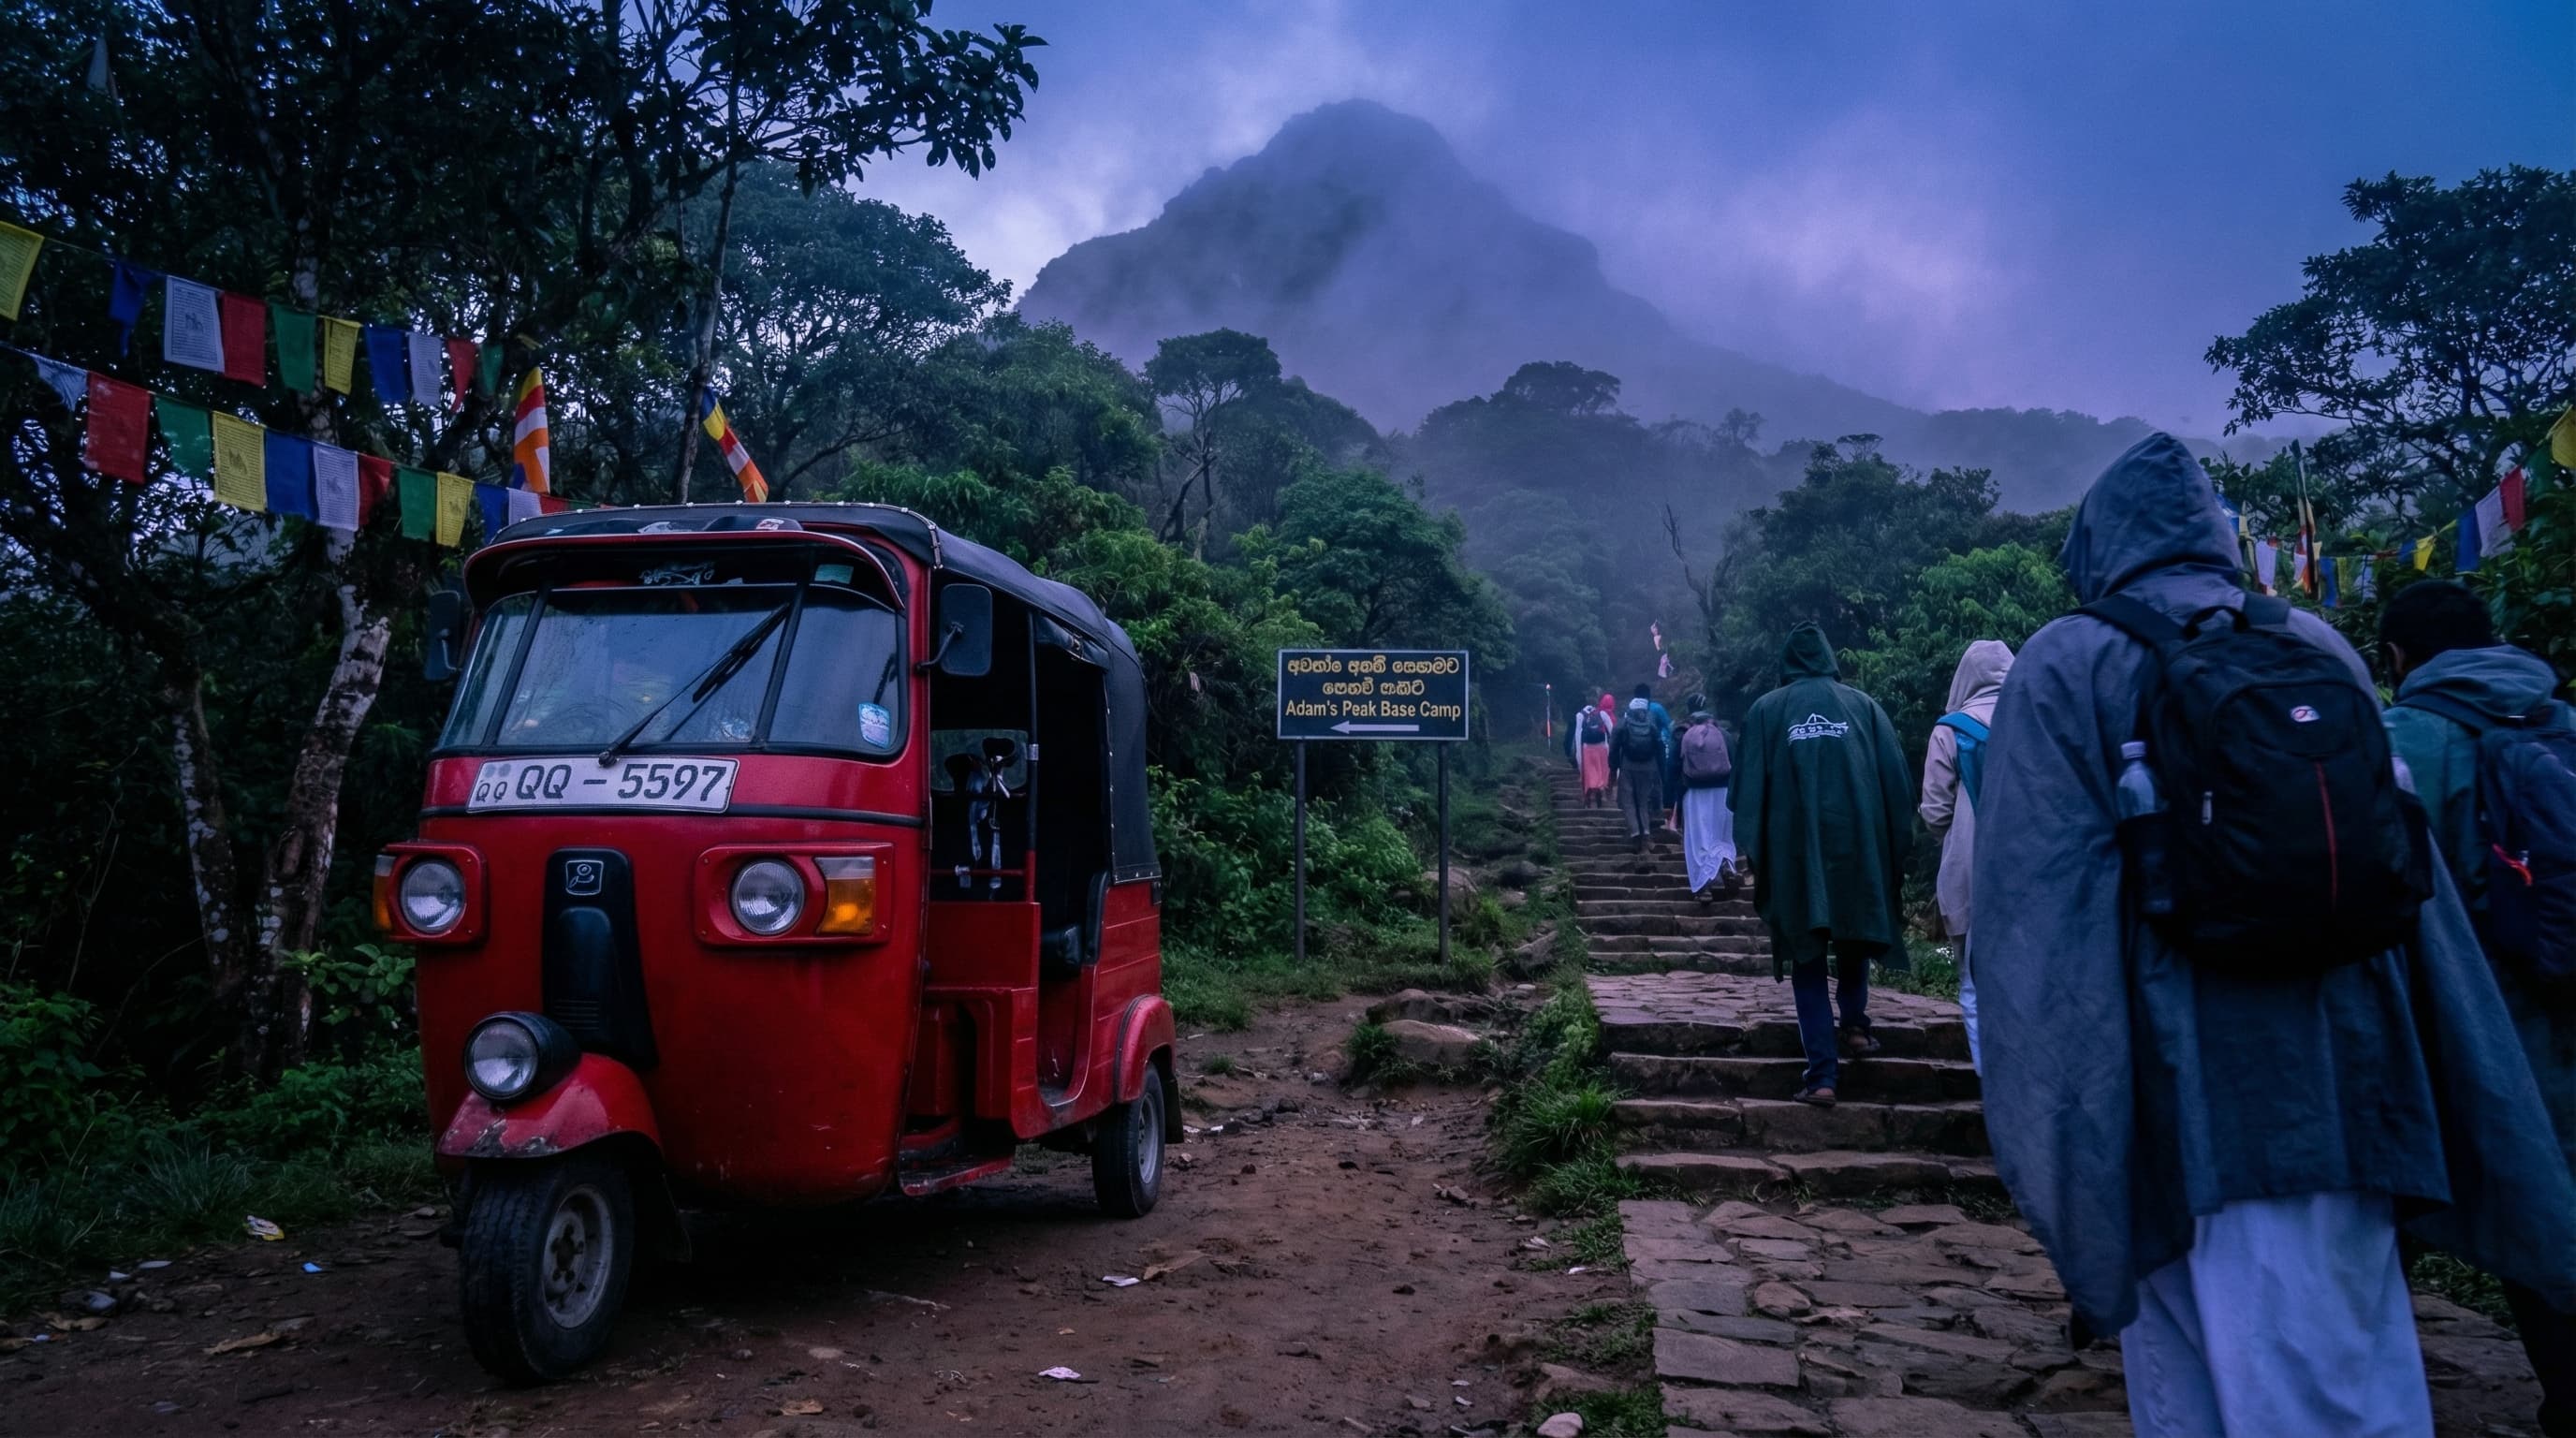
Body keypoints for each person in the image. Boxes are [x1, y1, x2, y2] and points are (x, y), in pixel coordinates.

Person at [1971, 433, 2576, 1438]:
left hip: (2170, 1096)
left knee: (2193, 1383)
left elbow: (2034, 918)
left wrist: (2069, 1119)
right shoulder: (2315, 643)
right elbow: (2411, 898)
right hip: (2347, 1084)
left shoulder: (2067, 661)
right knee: (2335, 1369)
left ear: (2099, 545)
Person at [2378, 580, 2576, 1438]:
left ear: (2394, 659)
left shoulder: (2408, 740)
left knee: (2410, 1203)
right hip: (2564, 1006)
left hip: (2474, 1025)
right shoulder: (2563, 725)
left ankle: (2360, 1390)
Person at [1728, 624, 1913, 1105]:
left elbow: (1746, 795)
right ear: (1830, 657)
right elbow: (1898, 787)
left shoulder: (1767, 711)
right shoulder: (1865, 708)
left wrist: (1759, 855)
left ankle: (1823, 1076)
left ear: (1787, 662)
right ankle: (1854, 1026)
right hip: (1858, 849)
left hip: (1795, 856)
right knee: (1852, 933)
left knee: (1807, 958)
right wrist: (1890, 853)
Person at [1918, 639, 2012, 1075]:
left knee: (1974, 982)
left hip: (1970, 872)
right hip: (2033, 873)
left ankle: (1989, 1081)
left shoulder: (1951, 730)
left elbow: (1935, 812)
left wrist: (1957, 833)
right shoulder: (2034, 717)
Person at [1676, 707, 1736, 897]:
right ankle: (1726, 863)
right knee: (1722, 835)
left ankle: (1704, 887)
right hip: (1723, 792)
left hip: (1694, 794)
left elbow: (1674, 768)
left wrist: (1672, 801)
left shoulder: (1685, 736)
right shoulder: (1725, 735)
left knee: (1699, 839)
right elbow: (1737, 764)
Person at [1607, 689, 1665, 852]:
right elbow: (1660, 747)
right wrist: (1661, 771)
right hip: (1649, 768)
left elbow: (1613, 747)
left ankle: (1635, 834)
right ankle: (1646, 836)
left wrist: (1613, 767)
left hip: (1628, 766)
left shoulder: (1623, 723)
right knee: (1643, 802)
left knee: (1628, 802)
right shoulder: (1651, 724)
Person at [1572, 695, 1613, 808]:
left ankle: (1588, 797)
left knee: (1589, 775)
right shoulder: (1602, 714)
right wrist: (1610, 748)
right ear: (1597, 703)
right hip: (1602, 748)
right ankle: (1599, 789)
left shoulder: (1580, 715)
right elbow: (1612, 732)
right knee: (1600, 773)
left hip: (1587, 749)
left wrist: (1578, 754)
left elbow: (1578, 735)